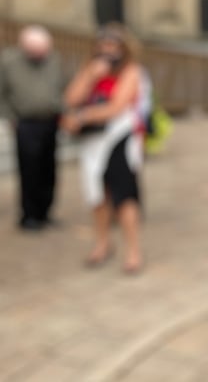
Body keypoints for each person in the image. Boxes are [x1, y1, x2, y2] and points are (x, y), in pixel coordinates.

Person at [60, 22, 145, 274]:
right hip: (92, 142)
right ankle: (102, 243)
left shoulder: (131, 71)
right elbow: (70, 99)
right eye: (104, 44)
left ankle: (133, 250)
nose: (108, 49)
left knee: (124, 196)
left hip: (118, 139)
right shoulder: (91, 69)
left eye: (113, 44)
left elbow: (117, 106)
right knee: (96, 195)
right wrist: (90, 76)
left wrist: (81, 118)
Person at [0, 25, 66, 231]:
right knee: (29, 170)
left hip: (50, 120)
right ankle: (29, 215)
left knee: (49, 168)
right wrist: (10, 117)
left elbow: (61, 86)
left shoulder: (54, 60)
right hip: (26, 122)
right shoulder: (9, 62)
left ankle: (45, 212)